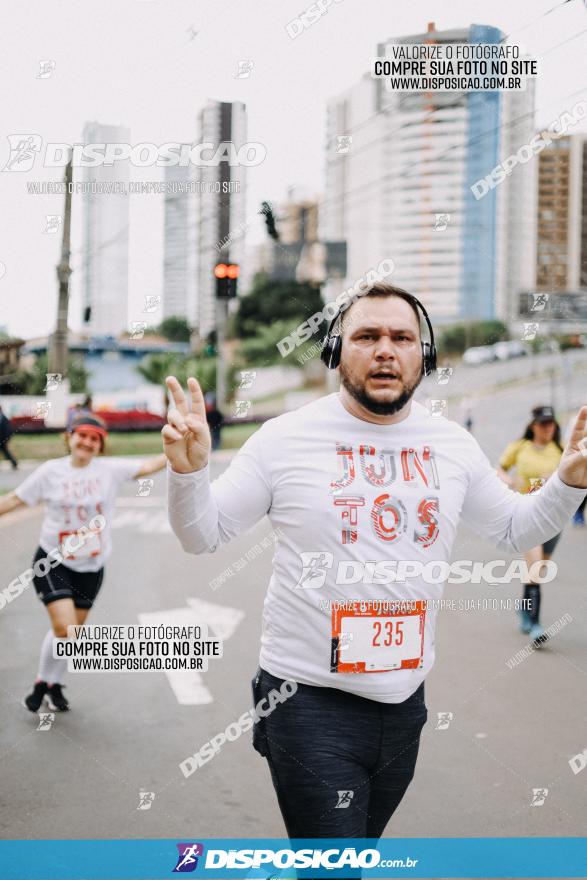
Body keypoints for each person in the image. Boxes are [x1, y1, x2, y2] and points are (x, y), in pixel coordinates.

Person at [163, 282, 587, 846]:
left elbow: (514, 529)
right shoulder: (284, 439)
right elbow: (203, 535)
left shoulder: (451, 445)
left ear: (424, 356)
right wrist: (189, 475)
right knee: (338, 860)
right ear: (337, 352)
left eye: (402, 337)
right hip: (306, 701)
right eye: (367, 335)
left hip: (406, 704)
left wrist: (568, 483)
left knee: (351, 852)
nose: (385, 349)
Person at [0, 414, 166, 713]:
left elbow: (148, 466)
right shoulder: (50, 472)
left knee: (73, 634)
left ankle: (52, 684)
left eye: (95, 439)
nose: (87, 442)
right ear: (69, 437)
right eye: (82, 436)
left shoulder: (109, 471)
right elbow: (14, 499)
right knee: (65, 629)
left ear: (100, 446)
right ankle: (43, 682)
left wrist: (179, 445)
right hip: (53, 560)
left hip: (92, 564)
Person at [497, 405, 565, 643]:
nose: (547, 428)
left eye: (551, 423)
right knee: (535, 567)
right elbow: (500, 469)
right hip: (527, 513)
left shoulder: (561, 449)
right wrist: (511, 481)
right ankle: (536, 625)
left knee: (538, 571)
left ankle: (524, 609)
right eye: (542, 423)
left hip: (553, 516)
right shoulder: (520, 448)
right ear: (533, 426)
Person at [0, 405, 18, 469]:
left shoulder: (4, 418)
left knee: (6, 452)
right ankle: (14, 463)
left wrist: (7, 440)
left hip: (3, 439)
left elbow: (8, 431)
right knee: (6, 452)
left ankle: (14, 463)